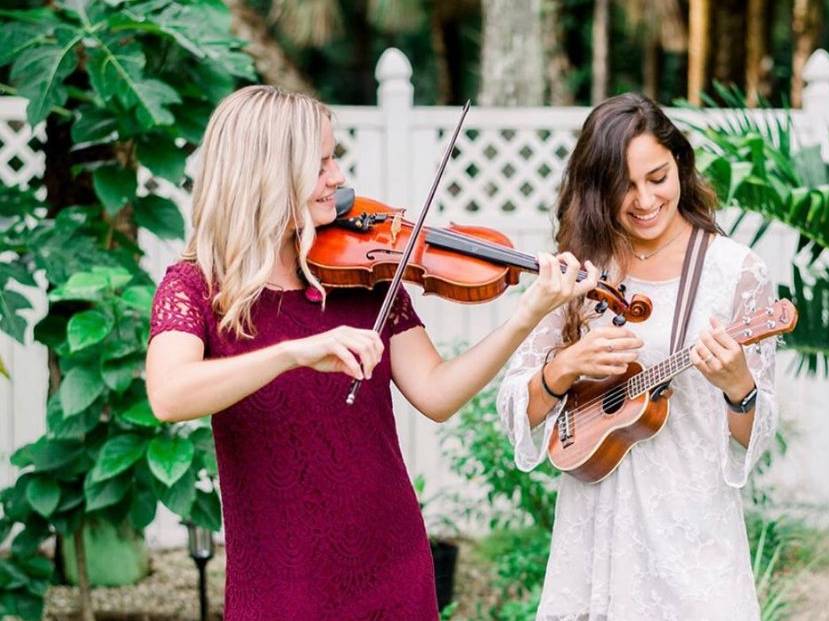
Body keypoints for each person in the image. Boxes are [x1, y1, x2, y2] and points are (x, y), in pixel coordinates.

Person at [145, 85, 601, 620]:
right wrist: (293, 353)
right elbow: (169, 395)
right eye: (320, 164)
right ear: (265, 174)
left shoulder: (362, 276)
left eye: (333, 157)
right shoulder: (196, 286)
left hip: (392, 564)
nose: (338, 177)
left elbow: (437, 393)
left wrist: (527, 315)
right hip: (280, 583)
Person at [496, 92, 778, 620]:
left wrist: (739, 386)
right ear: (596, 187)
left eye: (658, 177)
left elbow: (753, 437)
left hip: (694, 537)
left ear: (681, 167)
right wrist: (564, 368)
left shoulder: (736, 271)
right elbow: (515, 409)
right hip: (594, 532)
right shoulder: (578, 272)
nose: (645, 200)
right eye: (624, 184)